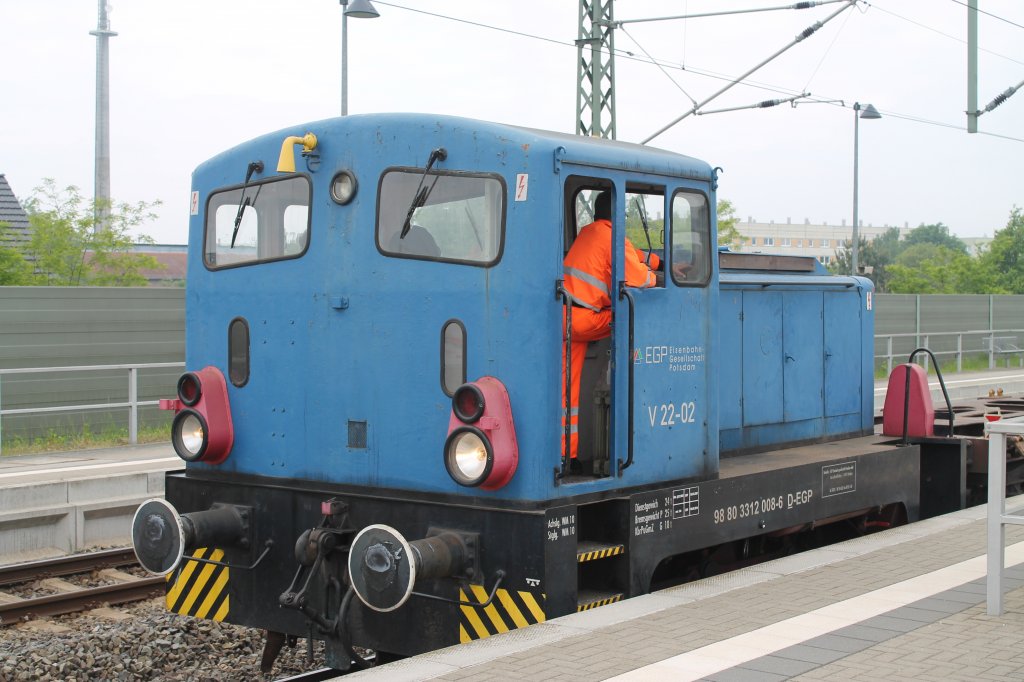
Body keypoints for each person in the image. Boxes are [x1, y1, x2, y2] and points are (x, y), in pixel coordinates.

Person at [561, 192, 660, 462]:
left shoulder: (589, 234)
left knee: (566, 392)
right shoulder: (612, 238)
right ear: (618, 217)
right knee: (625, 316)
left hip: (564, 317)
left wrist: (656, 259)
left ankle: (565, 454)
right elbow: (639, 279)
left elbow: (631, 254)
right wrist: (657, 275)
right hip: (585, 321)